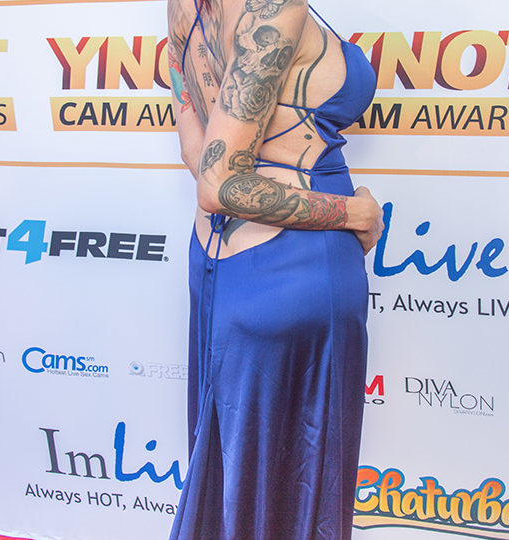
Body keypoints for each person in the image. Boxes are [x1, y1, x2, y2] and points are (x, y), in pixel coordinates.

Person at [167, 0, 383, 537]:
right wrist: (351, 213)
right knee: (301, 485)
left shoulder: (183, 7)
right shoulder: (275, 8)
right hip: (297, 267)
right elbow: (220, 183)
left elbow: (196, 152)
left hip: (220, 267)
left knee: (235, 478)